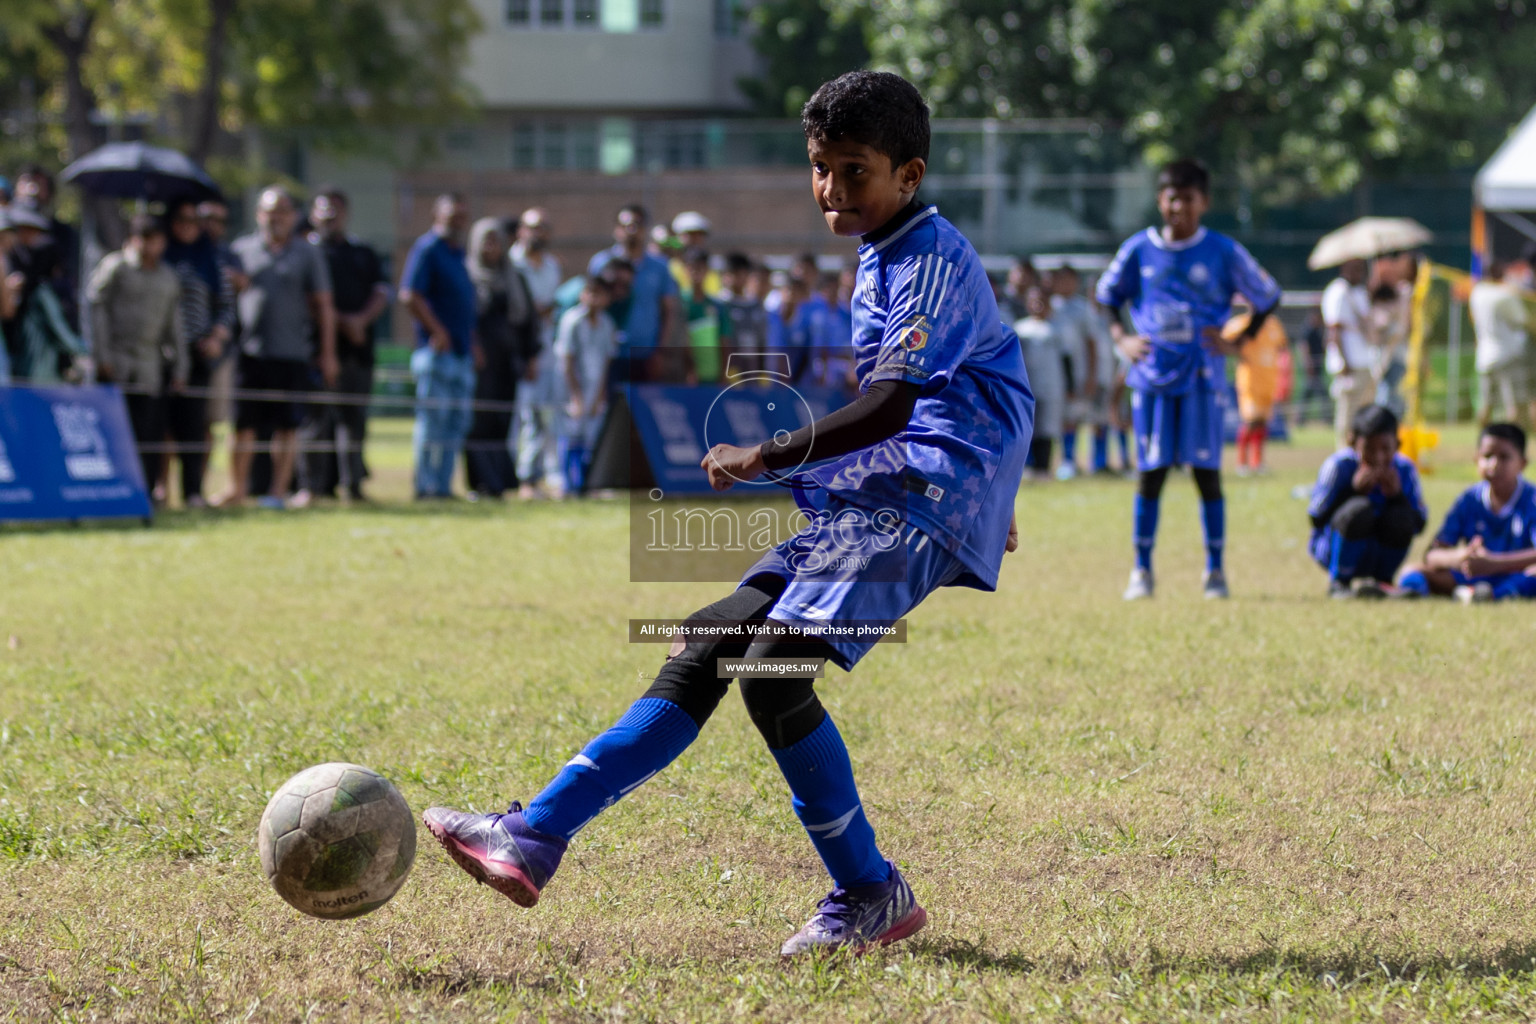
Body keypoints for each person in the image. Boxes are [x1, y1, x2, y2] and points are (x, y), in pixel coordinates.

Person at [422, 70, 1033, 958]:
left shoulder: (930, 255)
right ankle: (535, 835)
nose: (830, 189)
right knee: (710, 638)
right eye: (820, 167)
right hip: (909, 489)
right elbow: (989, 368)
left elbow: (897, 405)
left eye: (853, 171)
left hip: (924, 495)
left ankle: (869, 892)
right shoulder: (886, 250)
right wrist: (999, 487)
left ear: (910, 173)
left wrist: (769, 453)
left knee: (775, 673)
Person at [1096, 157, 1282, 600]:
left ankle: (1215, 572)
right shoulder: (1138, 249)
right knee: (1151, 474)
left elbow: (1268, 295)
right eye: (1172, 197)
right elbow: (1106, 297)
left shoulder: (1222, 250)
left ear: (1204, 202)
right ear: (1161, 200)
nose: (1179, 207)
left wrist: (1241, 339)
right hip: (1152, 379)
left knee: (1206, 473)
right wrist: (1122, 338)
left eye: (1189, 198)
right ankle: (1141, 571)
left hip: (1201, 377)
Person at [219, 186, 338, 509]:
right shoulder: (241, 250)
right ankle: (237, 489)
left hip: (293, 353)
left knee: (287, 427)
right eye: (270, 211)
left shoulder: (307, 253)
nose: (276, 217)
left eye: (283, 211)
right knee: (243, 426)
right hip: (250, 352)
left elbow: (324, 306)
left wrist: (328, 353)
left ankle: (277, 492)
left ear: (294, 216)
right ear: (259, 214)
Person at [86, 214, 187, 491]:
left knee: (149, 432)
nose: (150, 246)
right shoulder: (115, 267)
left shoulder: (167, 277)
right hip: (115, 361)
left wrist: (180, 367)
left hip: (149, 367)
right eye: (144, 239)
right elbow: (97, 311)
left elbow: (174, 326)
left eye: (155, 240)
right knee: (113, 430)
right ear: (133, 239)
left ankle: (143, 492)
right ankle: (110, 490)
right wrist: (102, 356)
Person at [304, 189, 389, 501]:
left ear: (346, 213)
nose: (329, 216)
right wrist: (343, 322)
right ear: (313, 214)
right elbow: (311, 300)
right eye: (323, 210)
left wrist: (361, 321)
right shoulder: (306, 252)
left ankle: (353, 485)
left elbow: (382, 292)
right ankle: (314, 487)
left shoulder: (362, 252)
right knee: (316, 422)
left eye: (335, 210)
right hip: (316, 352)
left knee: (354, 422)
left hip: (358, 350)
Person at [1398, 422, 1536, 603]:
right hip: (1473, 575)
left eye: (1504, 457)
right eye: (1488, 456)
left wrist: (1494, 563)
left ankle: (1492, 595)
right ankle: (1408, 592)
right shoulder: (1469, 499)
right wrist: (1458, 557)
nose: (1494, 464)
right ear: (1476, 459)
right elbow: (1433, 554)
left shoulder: (1531, 500)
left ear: (1522, 463)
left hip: (1517, 574)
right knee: (1412, 570)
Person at [401, 193, 478, 501]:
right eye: (451, 216)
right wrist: (437, 330)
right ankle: (424, 486)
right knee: (433, 423)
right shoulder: (428, 249)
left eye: (461, 217)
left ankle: (443, 487)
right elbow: (409, 295)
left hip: (462, 353)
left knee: (456, 423)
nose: (457, 222)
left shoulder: (459, 253)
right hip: (436, 353)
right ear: (436, 215)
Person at [1306, 404, 1426, 598]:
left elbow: (1419, 524)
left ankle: (1384, 581)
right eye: (1369, 449)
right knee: (1358, 510)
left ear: (1398, 444)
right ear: (1352, 442)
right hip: (1332, 549)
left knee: (1401, 517)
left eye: (1386, 449)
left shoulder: (1404, 469)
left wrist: (1397, 497)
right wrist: (1353, 491)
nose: (1378, 458)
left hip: (1377, 551)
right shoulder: (1339, 466)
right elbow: (1316, 518)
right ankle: (1339, 582)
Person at [162, 199, 236, 507]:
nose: (186, 226)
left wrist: (217, 336)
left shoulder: (210, 261)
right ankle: (160, 489)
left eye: (193, 221)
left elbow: (227, 308)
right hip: (163, 351)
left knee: (195, 425)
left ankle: (194, 490)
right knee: (162, 424)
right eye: (180, 219)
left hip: (198, 351)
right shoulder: (161, 257)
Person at [464, 217, 539, 499]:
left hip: (509, 361)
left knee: (502, 422)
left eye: (496, 240)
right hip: (479, 361)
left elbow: (529, 321)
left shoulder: (514, 277)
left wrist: (531, 356)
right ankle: (481, 482)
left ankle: (500, 483)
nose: (491, 246)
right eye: (486, 240)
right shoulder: (468, 275)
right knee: (479, 423)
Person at [588, 205, 678, 382]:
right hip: (606, 353)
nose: (631, 230)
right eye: (625, 225)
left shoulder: (660, 267)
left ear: (645, 229)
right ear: (616, 229)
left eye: (637, 224)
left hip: (645, 353)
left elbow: (668, 312)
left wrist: (661, 351)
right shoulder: (601, 263)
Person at [511, 208, 566, 500]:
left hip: (545, 351)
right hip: (517, 353)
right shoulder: (511, 263)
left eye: (543, 227)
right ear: (521, 230)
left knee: (547, 418)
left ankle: (543, 476)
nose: (537, 233)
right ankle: (522, 479)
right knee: (523, 419)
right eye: (532, 227)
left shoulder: (551, 266)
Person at [556, 276, 618, 494]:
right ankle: (568, 485)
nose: (593, 298)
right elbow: (566, 361)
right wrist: (576, 397)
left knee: (590, 437)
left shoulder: (607, 323)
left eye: (598, 294)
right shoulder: (571, 320)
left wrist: (600, 395)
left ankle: (585, 484)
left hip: (594, 389)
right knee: (571, 435)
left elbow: (606, 362)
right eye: (589, 293)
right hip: (572, 388)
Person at [1048, 265, 1102, 479]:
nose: (1064, 284)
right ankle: (1057, 459)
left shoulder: (1082, 309)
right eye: (1060, 279)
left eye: (1068, 280)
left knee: (1074, 416)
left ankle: (1072, 460)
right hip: (1052, 372)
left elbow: (1091, 344)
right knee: (1056, 417)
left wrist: (1091, 375)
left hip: (1077, 373)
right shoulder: (1049, 305)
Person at [1225, 297, 1289, 476]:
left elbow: (1282, 348)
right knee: (1250, 422)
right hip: (1250, 382)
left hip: (1269, 382)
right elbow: (1225, 341)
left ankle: (1257, 462)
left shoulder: (1274, 324)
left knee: (1262, 424)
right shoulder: (1241, 324)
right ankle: (1241, 463)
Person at [13, 164, 79, 331]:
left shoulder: (60, 234)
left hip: (48, 319)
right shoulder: (6, 230)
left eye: (39, 184)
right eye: (27, 182)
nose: (32, 189)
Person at [1469, 261, 1529, 427]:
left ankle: (1482, 437)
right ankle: (1513, 439)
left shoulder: (1477, 293)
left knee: (1486, 405)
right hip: (1507, 354)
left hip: (1484, 357)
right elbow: (1521, 320)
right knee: (1513, 405)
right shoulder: (1505, 295)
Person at [1321, 258, 1373, 448]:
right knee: (1347, 414)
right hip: (1349, 363)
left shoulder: (1359, 292)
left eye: (1361, 267)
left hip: (1364, 360)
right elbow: (1334, 331)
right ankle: (1344, 450)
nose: (1358, 272)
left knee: (1364, 413)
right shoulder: (1338, 292)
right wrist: (1344, 362)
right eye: (1354, 268)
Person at [1015, 286, 1063, 478]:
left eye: (1042, 301)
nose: (1038, 305)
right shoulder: (1020, 329)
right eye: (1033, 301)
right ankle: (1026, 467)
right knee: (1027, 426)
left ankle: (1044, 467)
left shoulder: (1055, 328)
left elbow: (1066, 359)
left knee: (1046, 427)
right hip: (1026, 385)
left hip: (1051, 385)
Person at [679, 247, 733, 385]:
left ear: (707, 270)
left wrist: (724, 373)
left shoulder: (718, 306)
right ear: (685, 270)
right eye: (692, 267)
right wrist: (689, 370)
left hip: (713, 377)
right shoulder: (679, 304)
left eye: (700, 268)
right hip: (686, 378)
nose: (696, 272)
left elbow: (724, 340)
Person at [719, 252, 768, 377]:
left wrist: (762, 369)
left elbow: (762, 341)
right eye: (734, 273)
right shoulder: (720, 304)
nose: (738, 278)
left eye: (742, 273)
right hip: (728, 367)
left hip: (752, 366)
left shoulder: (756, 305)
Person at [1296, 309, 1330, 424]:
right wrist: (1308, 364)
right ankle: (1326, 417)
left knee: (1309, 394)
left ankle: (1301, 418)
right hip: (1311, 368)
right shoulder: (1307, 330)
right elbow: (1303, 347)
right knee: (1317, 393)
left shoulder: (1318, 330)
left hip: (1318, 367)